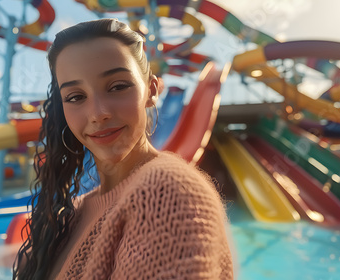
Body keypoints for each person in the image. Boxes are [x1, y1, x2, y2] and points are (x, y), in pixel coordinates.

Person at [13, 18, 233, 279]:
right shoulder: (77, 211)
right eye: (76, 97)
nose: (98, 113)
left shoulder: (166, 192)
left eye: (118, 87)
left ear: (151, 90)